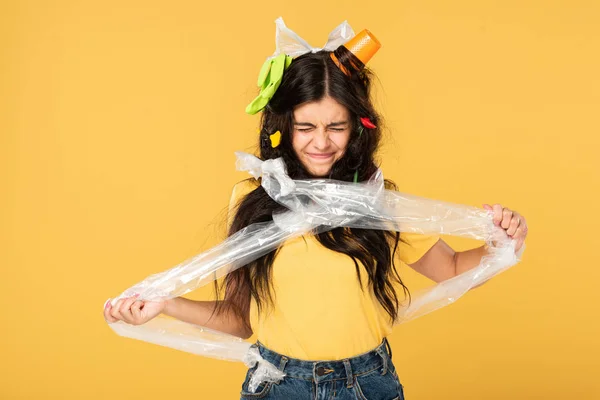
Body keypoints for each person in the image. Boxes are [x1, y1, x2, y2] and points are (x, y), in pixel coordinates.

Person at [103, 22, 528, 400]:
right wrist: (163, 303)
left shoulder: (376, 201)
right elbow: (237, 319)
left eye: (335, 126)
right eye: (305, 127)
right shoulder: (251, 199)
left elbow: (453, 268)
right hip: (277, 384)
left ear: (359, 127)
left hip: (368, 383)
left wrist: (502, 244)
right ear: (282, 127)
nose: (320, 142)